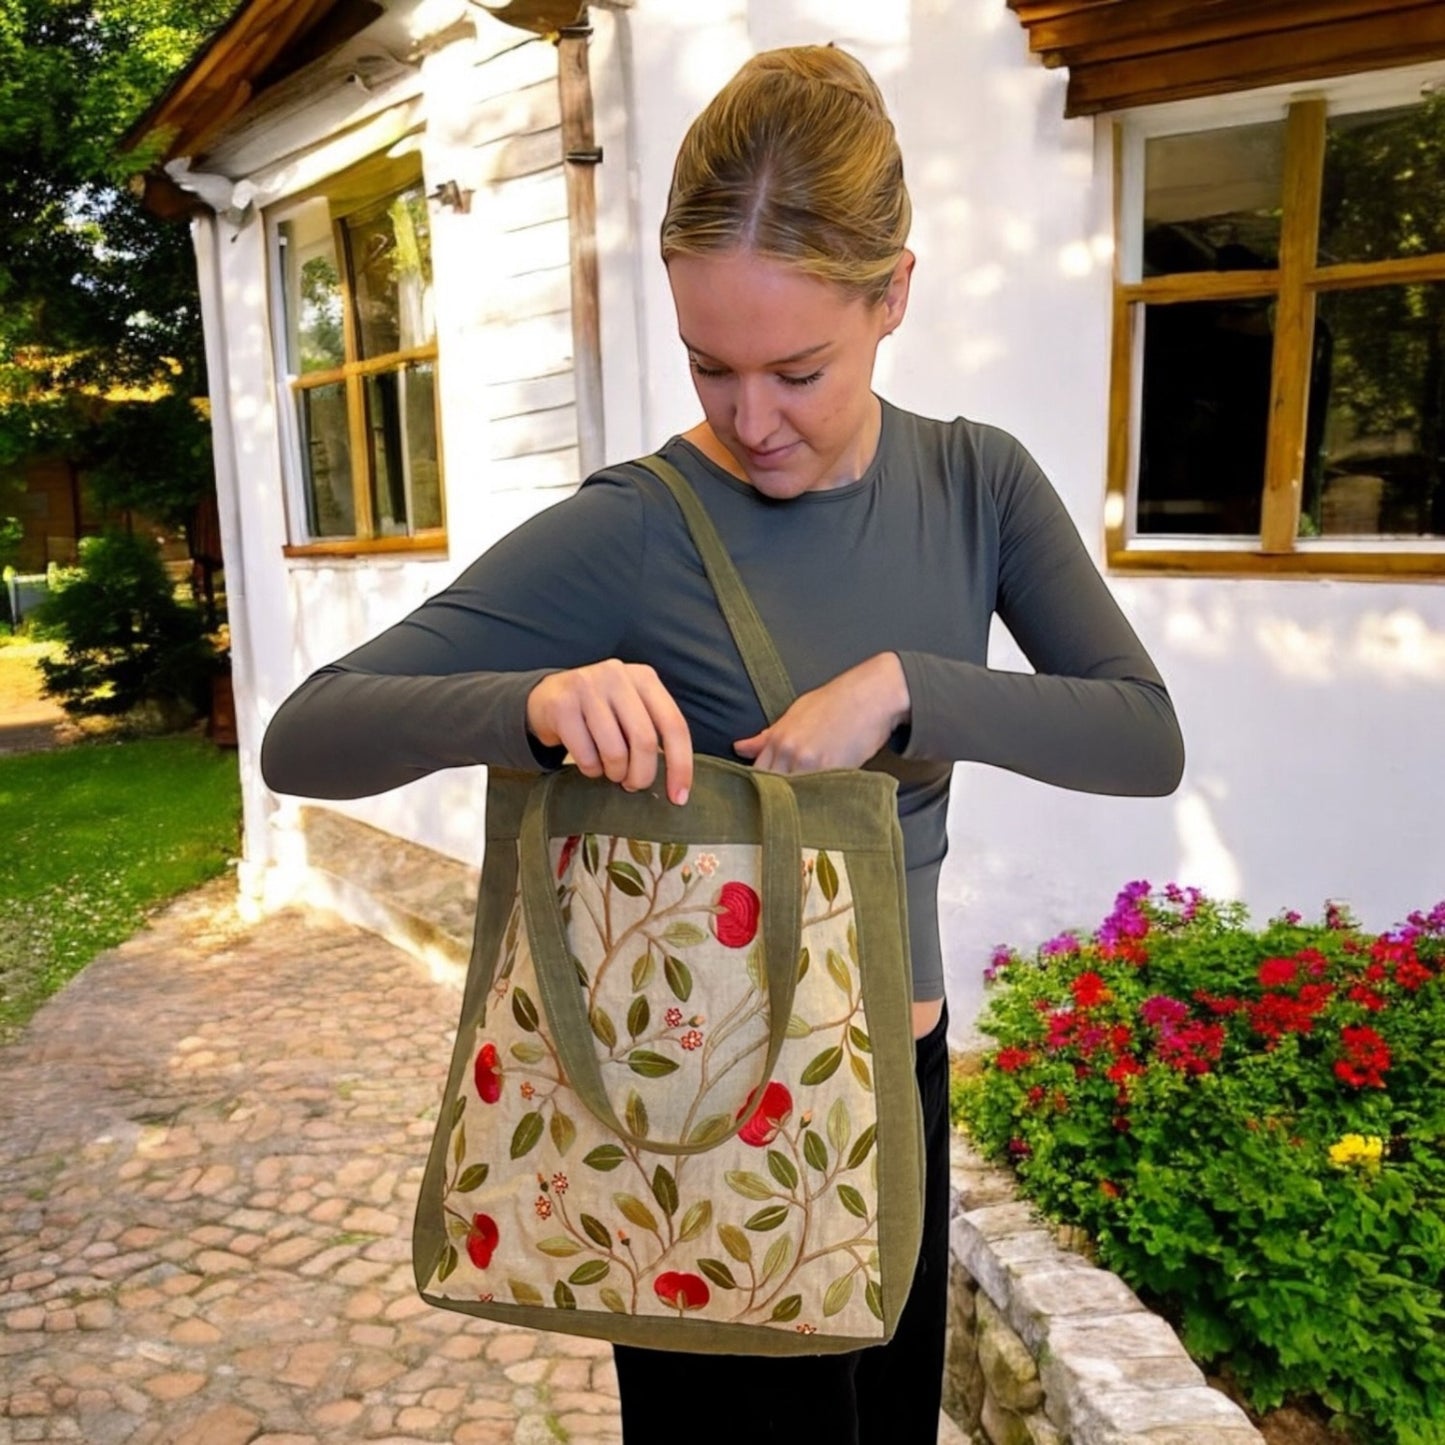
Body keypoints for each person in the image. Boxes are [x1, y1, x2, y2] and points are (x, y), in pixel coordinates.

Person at [261, 43, 1184, 1444]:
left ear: (893, 297)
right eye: (710, 367)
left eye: (797, 369)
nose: (751, 421)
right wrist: (529, 704)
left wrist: (906, 687)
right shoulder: (638, 523)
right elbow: (305, 737)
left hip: (900, 1105)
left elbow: (1141, 733)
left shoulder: (975, 480)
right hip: (700, 1125)